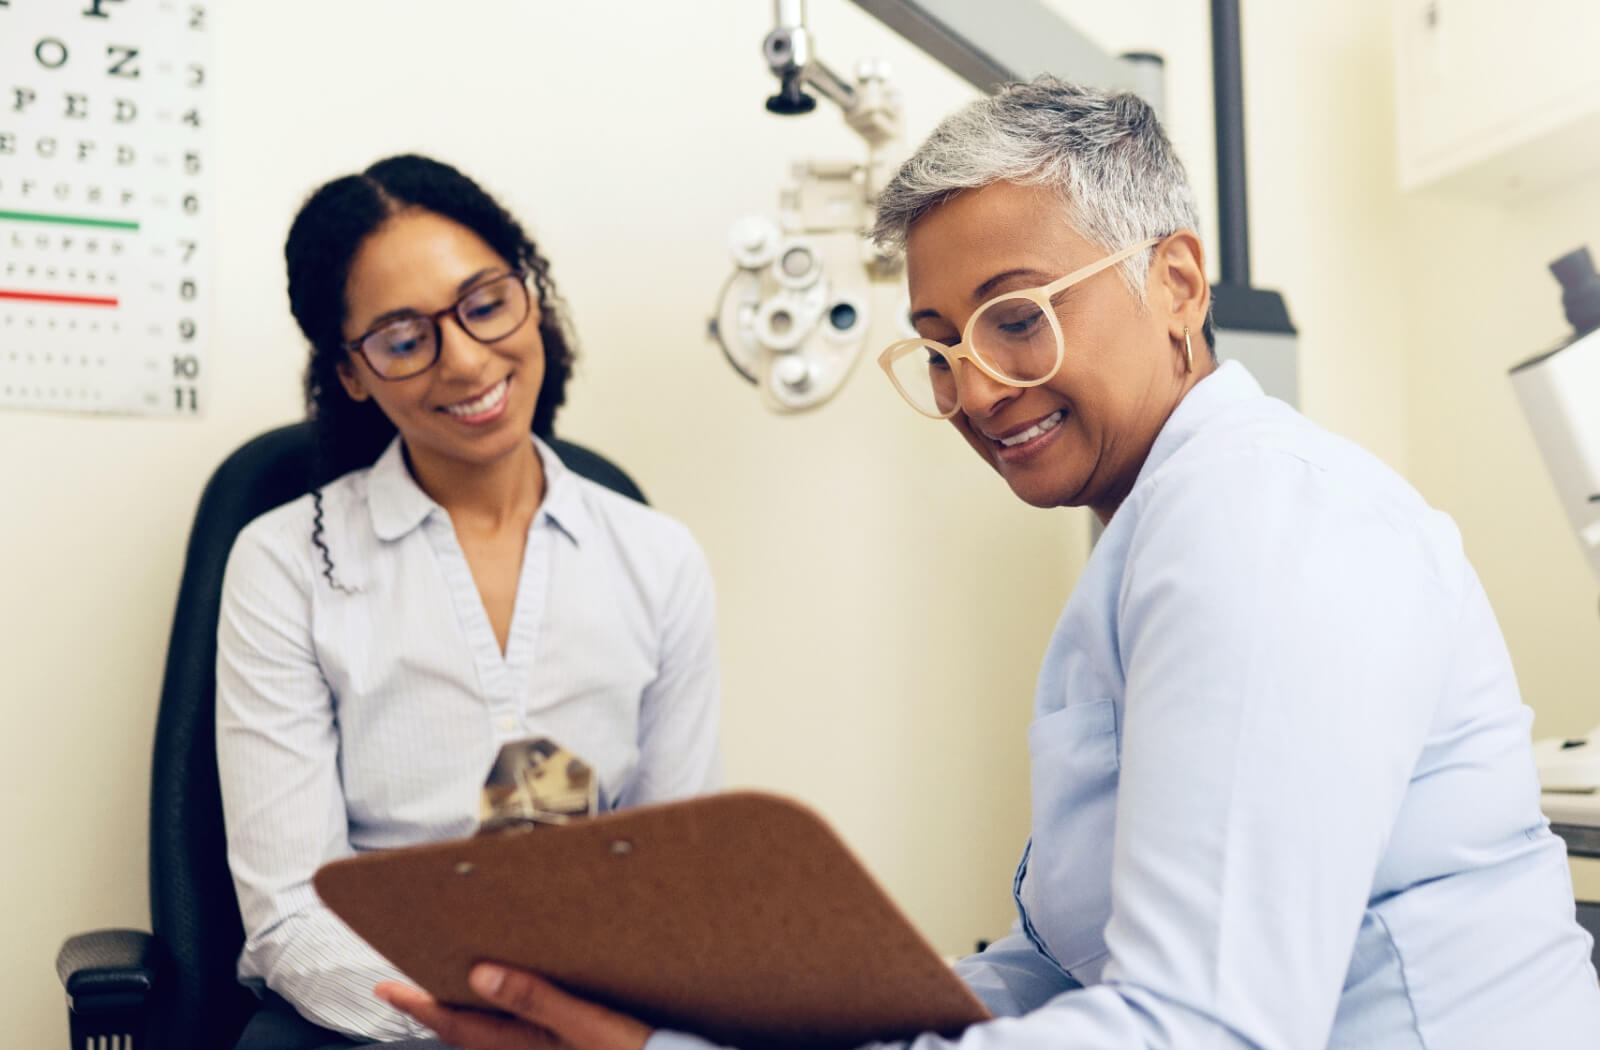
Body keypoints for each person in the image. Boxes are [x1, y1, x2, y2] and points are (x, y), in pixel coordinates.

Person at [378, 79, 1600, 1050]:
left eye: (1016, 317)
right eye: (939, 345)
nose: (972, 388)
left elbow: (1198, 1029)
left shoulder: (1257, 529)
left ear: (1174, 282)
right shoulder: (1161, 531)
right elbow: (1059, 966)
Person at [216, 154, 722, 1049]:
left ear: (532, 294)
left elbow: (677, 875)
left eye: (485, 304)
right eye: (406, 340)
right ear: (352, 373)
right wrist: (459, 1021)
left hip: (595, 1018)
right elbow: (291, 912)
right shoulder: (284, 563)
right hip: (367, 1018)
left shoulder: (659, 557)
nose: (467, 361)